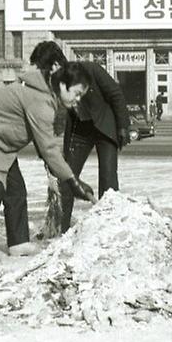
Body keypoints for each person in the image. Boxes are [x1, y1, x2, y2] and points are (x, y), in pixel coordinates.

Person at [0, 41, 96, 265]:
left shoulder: (48, 93)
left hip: (1, 143)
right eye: (77, 94)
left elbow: (48, 143)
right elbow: (48, 148)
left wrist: (65, 174)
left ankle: (18, 243)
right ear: (63, 85)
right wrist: (72, 180)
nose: (77, 100)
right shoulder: (40, 101)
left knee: (16, 190)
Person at [59, 58, 130, 233]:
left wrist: (123, 126)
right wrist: (65, 151)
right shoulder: (60, 83)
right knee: (67, 177)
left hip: (104, 126)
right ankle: (61, 227)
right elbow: (66, 118)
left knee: (108, 178)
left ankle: (108, 227)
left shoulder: (93, 69)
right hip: (81, 129)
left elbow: (116, 94)